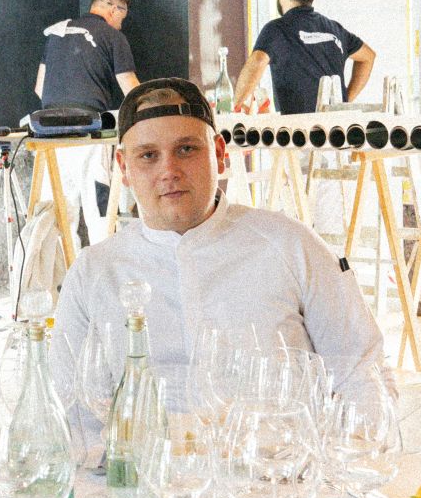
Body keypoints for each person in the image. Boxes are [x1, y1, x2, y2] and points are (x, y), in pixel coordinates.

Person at [54, 76, 383, 397]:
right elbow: (74, 411)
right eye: (148, 156)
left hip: (277, 450)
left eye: (186, 149)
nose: (169, 171)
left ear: (220, 152)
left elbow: (363, 377)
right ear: (123, 168)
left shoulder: (291, 245)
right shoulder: (93, 274)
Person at [34, 0, 140, 236]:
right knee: (99, 212)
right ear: (114, 9)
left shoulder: (56, 34)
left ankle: (65, 274)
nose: (121, 26)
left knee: (60, 216)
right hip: (89, 132)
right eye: (121, 19)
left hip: (49, 133)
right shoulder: (113, 37)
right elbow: (132, 91)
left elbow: (39, 88)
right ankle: (103, 273)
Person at [233, 0, 375, 114]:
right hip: (337, 131)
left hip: (299, 132)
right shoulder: (335, 29)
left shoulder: (277, 29)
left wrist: (236, 110)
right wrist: (344, 102)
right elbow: (368, 57)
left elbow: (258, 61)